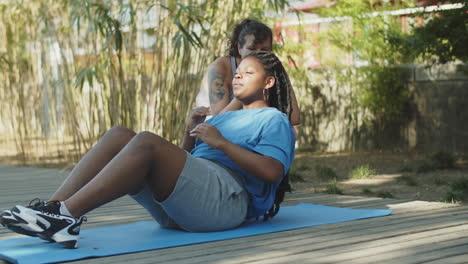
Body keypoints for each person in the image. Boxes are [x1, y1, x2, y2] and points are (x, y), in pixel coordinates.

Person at [0, 51, 296, 249]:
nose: (238, 76)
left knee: (146, 141)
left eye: (248, 72)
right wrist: (188, 131)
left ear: (268, 82)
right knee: (120, 136)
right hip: (189, 207)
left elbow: (272, 172)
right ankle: (53, 209)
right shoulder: (225, 117)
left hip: (225, 204)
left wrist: (221, 142)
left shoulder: (273, 119)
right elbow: (189, 165)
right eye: (238, 71)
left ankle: (66, 216)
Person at [196, 19, 301, 126]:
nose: (258, 54)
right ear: (239, 48)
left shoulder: (272, 67)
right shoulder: (221, 68)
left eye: (264, 50)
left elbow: (294, 118)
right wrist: (244, 95)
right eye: (252, 49)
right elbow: (218, 123)